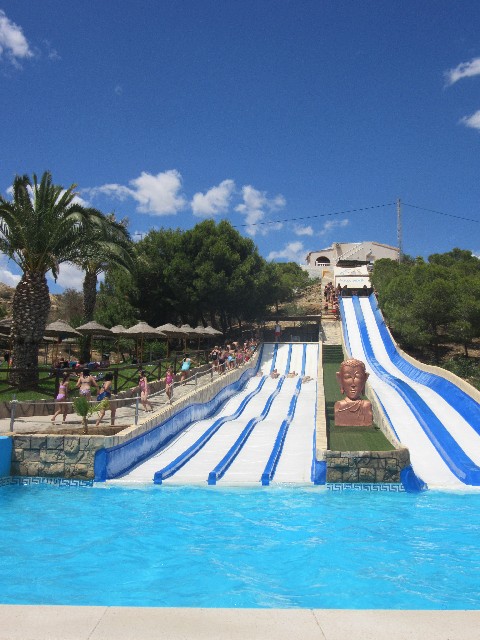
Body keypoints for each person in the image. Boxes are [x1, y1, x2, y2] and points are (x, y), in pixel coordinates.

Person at [334, 358, 373, 426]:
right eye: (347, 377)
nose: (353, 384)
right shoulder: (339, 406)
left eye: (358, 377)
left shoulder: (366, 406)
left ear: (364, 379)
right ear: (340, 379)